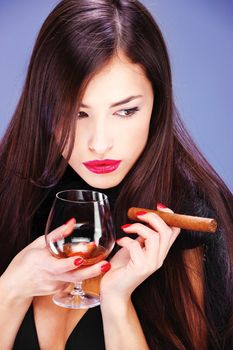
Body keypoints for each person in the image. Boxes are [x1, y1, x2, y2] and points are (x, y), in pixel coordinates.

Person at [0, 0, 232, 349]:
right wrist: (11, 290)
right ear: (42, 107)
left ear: (158, 104)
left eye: (125, 111)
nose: (99, 144)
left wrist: (117, 302)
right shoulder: (9, 197)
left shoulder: (193, 225)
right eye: (76, 113)